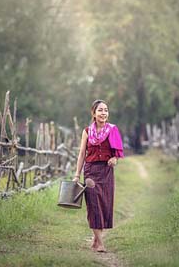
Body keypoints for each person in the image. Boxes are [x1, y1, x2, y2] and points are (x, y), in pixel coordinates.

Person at [73, 99, 124, 252]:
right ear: (93, 113)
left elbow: (117, 153)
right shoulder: (87, 131)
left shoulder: (113, 129)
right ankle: (101, 243)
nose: (104, 113)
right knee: (93, 205)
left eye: (106, 110)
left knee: (104, 204)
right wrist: (76, 175)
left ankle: (95, 241)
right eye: (100, 110)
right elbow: (82, 153)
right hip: (90, 172)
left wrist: (114, 159)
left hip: (106, 171)